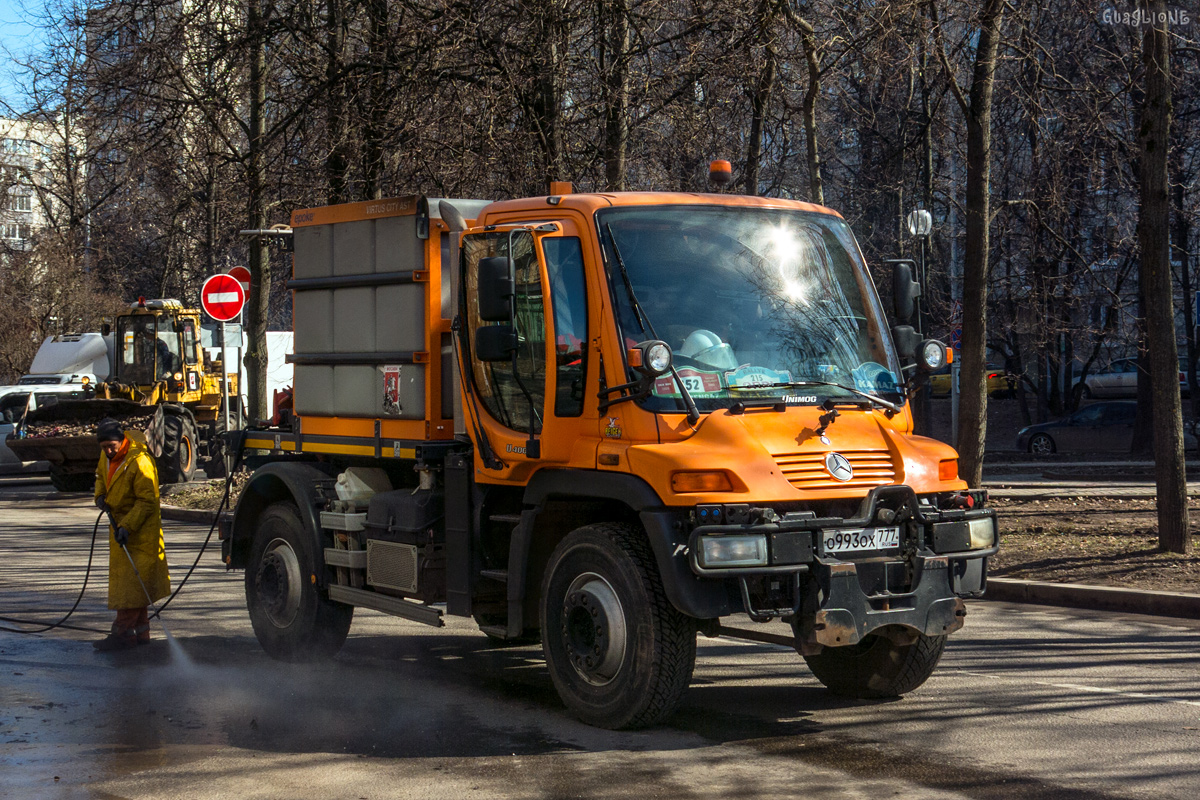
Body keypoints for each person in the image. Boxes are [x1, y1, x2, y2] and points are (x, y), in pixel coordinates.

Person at [92, 418, 171, 651]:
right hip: (120, 528)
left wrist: (127, 526)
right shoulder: (106, 457)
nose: (107, 451)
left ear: (122, 442)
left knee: (131, 588)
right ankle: (139, 634)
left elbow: (147, 501)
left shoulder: (140, 462)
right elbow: (99, 476)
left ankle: (122, 635)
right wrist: (99, 495)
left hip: (140, 534)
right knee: (133, 586)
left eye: (111, 447)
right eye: (104, 447)